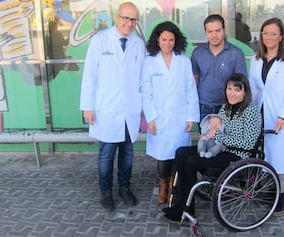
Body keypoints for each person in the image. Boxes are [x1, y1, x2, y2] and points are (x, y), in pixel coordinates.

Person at [162, 73, 262, 221]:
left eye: (237, 90)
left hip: (238, 155)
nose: (232, 93)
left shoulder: (251, 111)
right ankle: (179, 203)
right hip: (220, 147)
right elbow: (215, 130)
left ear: (245, 92)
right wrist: (207, 135)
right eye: (229, 88)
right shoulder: (225, 108)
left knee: (191, 162)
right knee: (181, 152)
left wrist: (219, 138)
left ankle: (188, 208)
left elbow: (248, 143)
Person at [79, 2, 146, 212]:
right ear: (117, 17)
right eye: (125, 18)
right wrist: (87, 107)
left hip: (130, 110)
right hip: (106, 109)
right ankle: (106, 192)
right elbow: (89, 75)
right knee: (106, 154)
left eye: (133, 19)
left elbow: (142, 78)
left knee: (127, 154)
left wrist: (144, 108)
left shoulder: (138, 43)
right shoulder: (100, 40)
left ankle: (124, 188)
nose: (129, 23)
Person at [249, 17, 284, 216]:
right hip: (262, 111)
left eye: (273, 33)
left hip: (281, 116)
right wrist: (249, 112)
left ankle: (281, 195)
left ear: (281, 36)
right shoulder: (256, 59)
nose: (269, 37)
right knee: (266, 153)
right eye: (265, 33)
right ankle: (268, 190)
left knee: (280, 156)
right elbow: (254, 88)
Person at [141, 21, 200, 204]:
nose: (167, 43)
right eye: (164, 39)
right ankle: (163, 185)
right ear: (157, 40)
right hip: (158, 117)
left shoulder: (183, 61)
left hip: (180, 117)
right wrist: (150, 117)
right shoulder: (149, 62)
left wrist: (191, 116)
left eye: (171, 40)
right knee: (162, 156)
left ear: (177, 41)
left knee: (178, 155)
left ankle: (174, 188)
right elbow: (146, 91)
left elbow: (191, 90)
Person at [191, 14, 248, 122]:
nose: (214, 35)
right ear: (205, 33)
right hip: (204, 106)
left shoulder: (236, 53)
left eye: (218, 30)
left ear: (224, 30)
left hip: (228, 107)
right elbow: (194, 80)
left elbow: (242, 83)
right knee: (206, 138)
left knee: (228, 138)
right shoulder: (198, 53)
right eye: (210, 31)